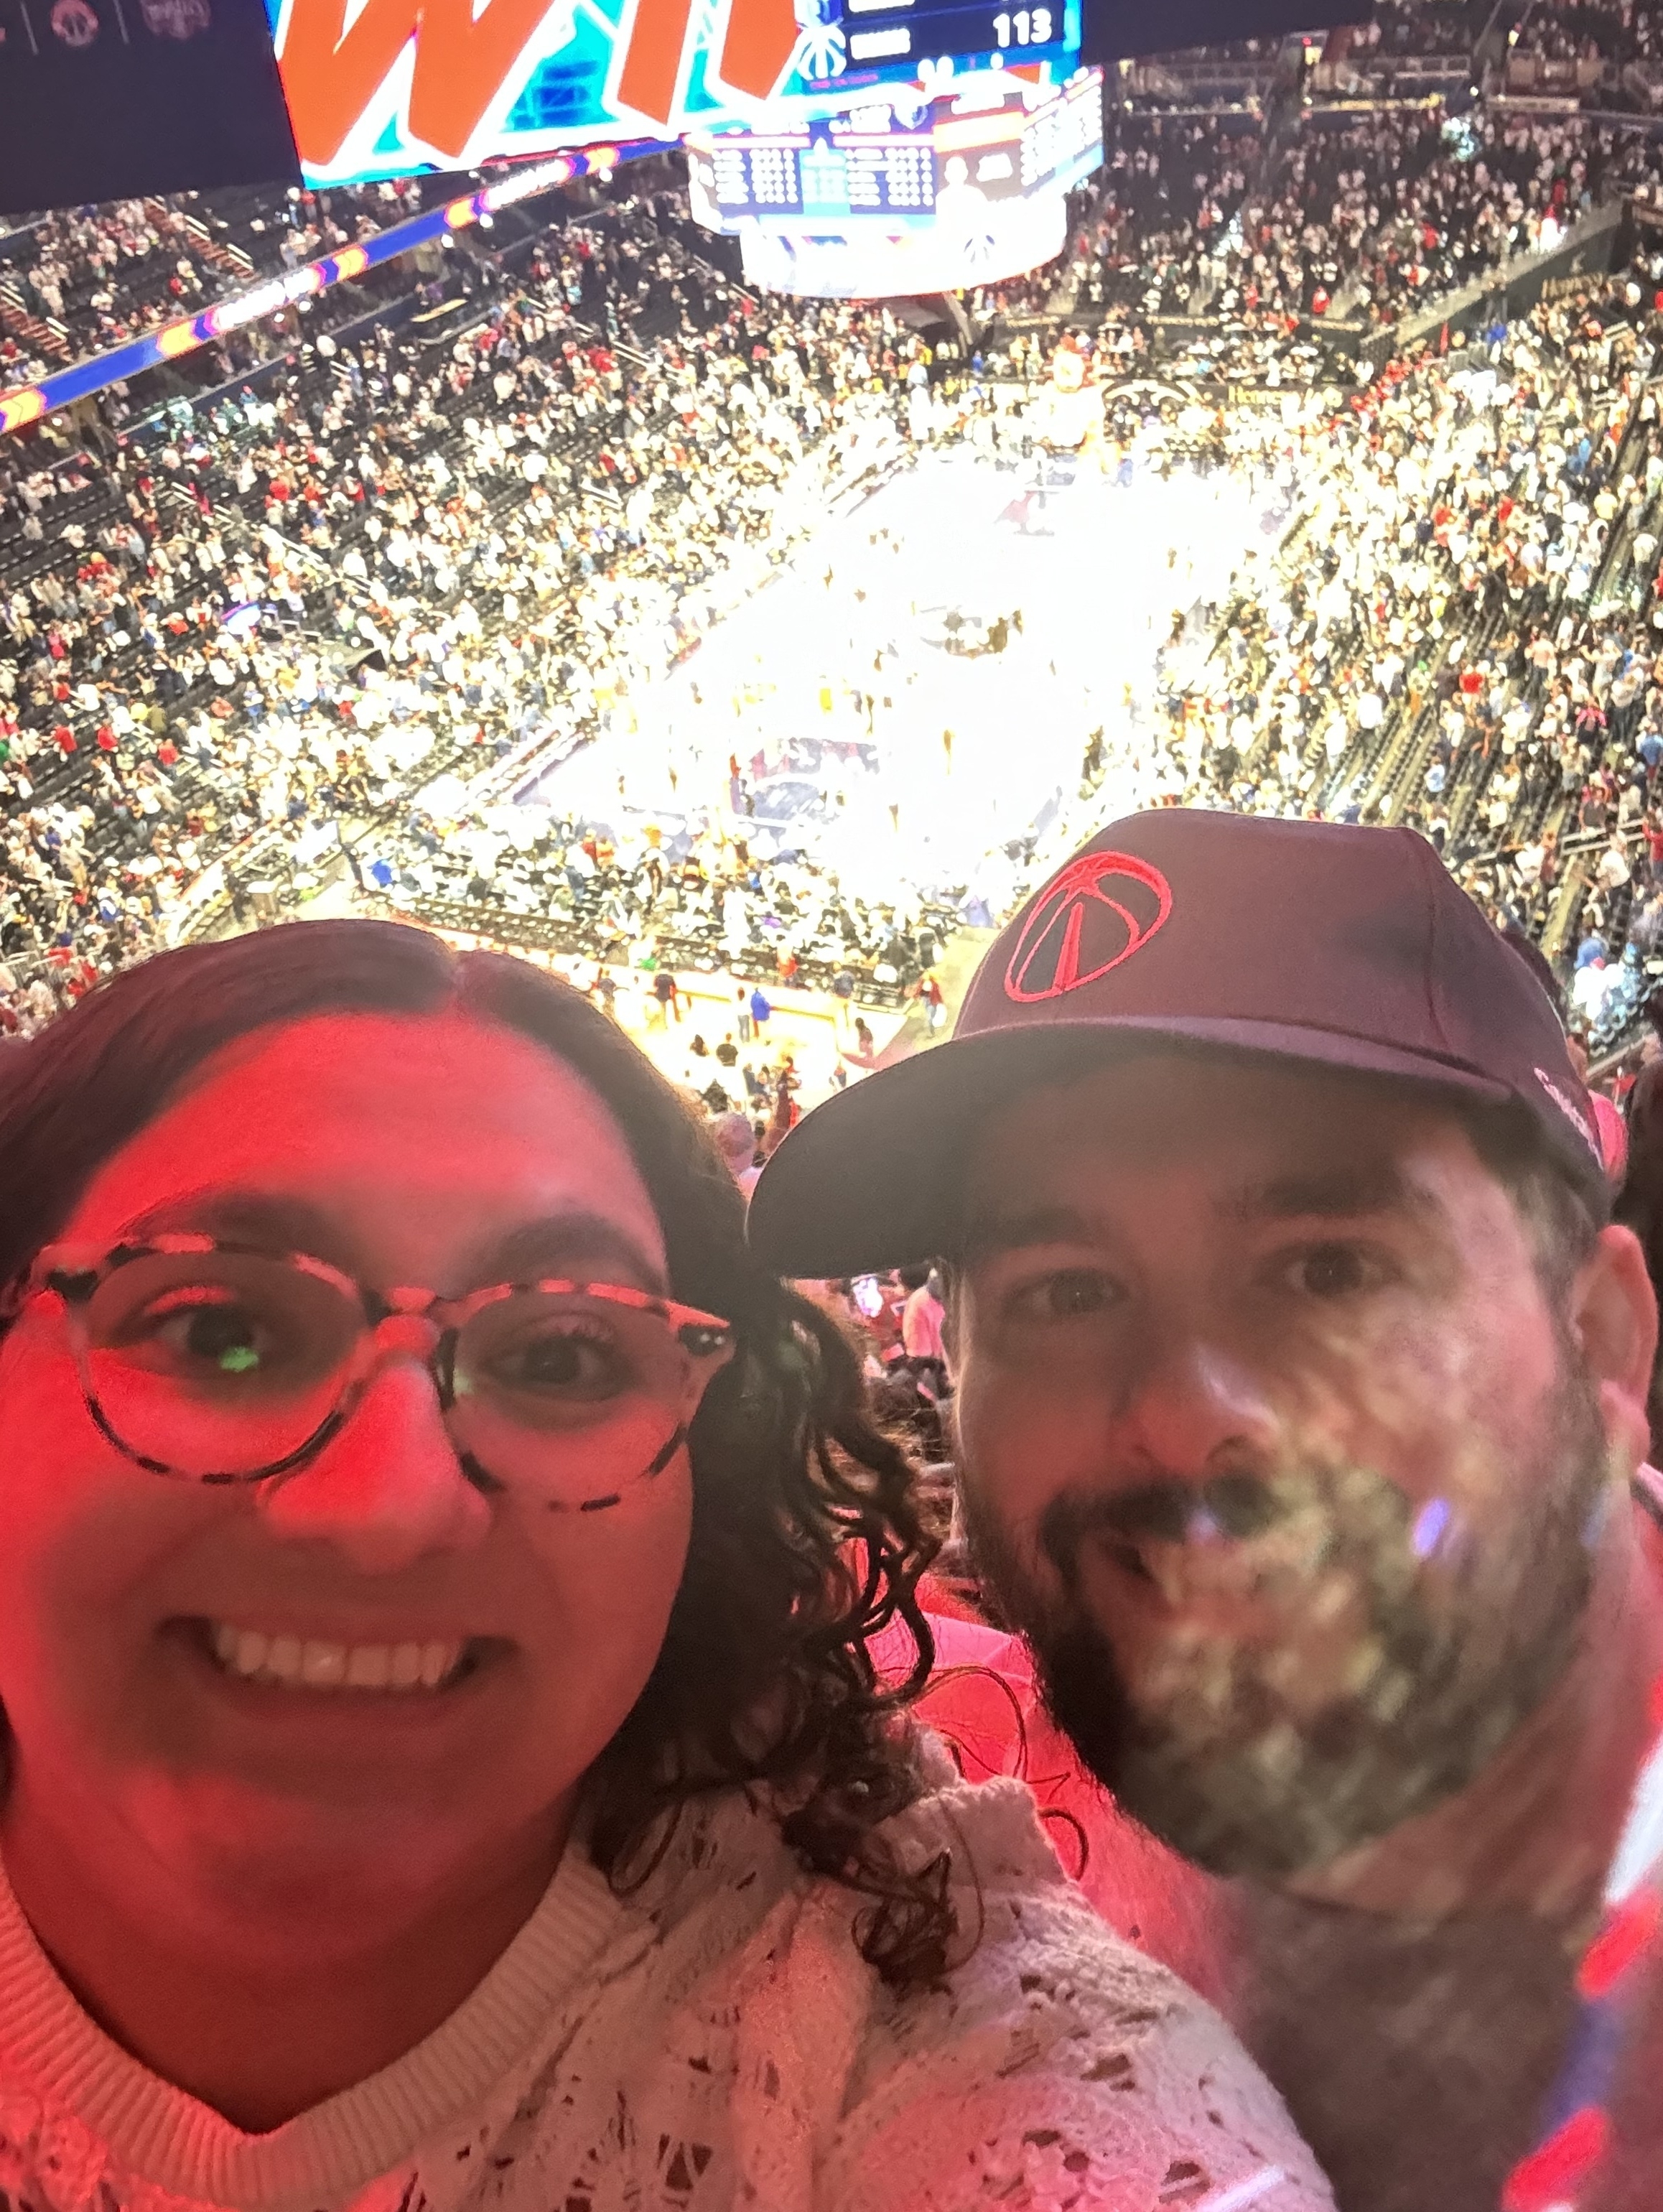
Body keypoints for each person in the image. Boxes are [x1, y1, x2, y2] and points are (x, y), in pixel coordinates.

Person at [0, 916, 1331, 2212]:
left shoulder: (980, 2070)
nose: (388, 1510)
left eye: (562, 1355)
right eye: (218, 1328)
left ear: (708, 1464)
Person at [751, 810, 1663, 2212]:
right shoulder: (913, 1848)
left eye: (1329, 1269)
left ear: (1599, 1345)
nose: (1182, 1420)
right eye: (1066, 1290)